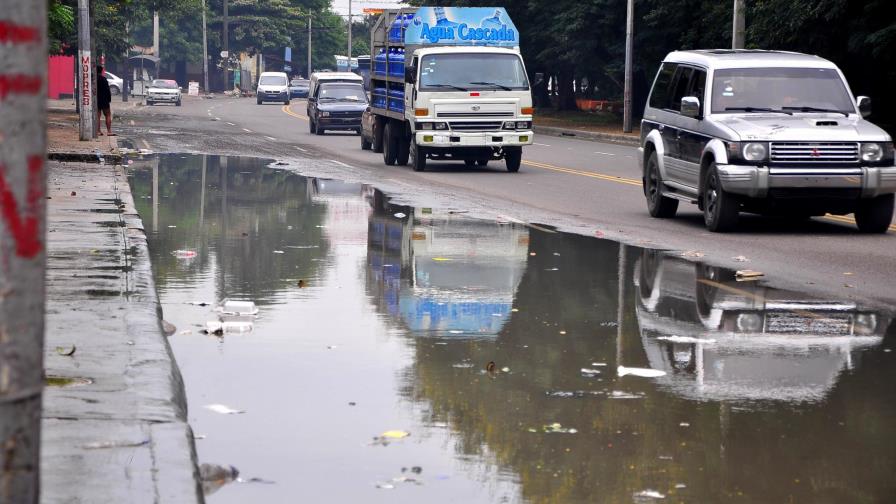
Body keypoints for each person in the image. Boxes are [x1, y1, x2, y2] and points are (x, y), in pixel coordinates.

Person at [96, 65, 114, 136]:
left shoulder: (93, 79)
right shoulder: (104, 79)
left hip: (96, 100)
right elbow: (107, 90)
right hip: (104, 100)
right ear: (101, 71)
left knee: (97, 116)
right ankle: (109, 131)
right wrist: (109, 99)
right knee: (108, 115)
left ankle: (98, 131)